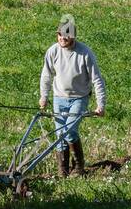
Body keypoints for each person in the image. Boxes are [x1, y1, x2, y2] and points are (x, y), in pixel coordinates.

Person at [38, 18, 106, 176]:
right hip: (58, 98)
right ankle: (63, 171)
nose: (62, 38)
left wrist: (100, 105)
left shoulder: (85, 53)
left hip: (79, 98)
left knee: (69, 131)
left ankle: (78, 167)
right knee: (60, 135)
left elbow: (97, 79)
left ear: (74, 37)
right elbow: (46, 76)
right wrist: (43, 96)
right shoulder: (53, 51)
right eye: (60, 35)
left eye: (66, 36)